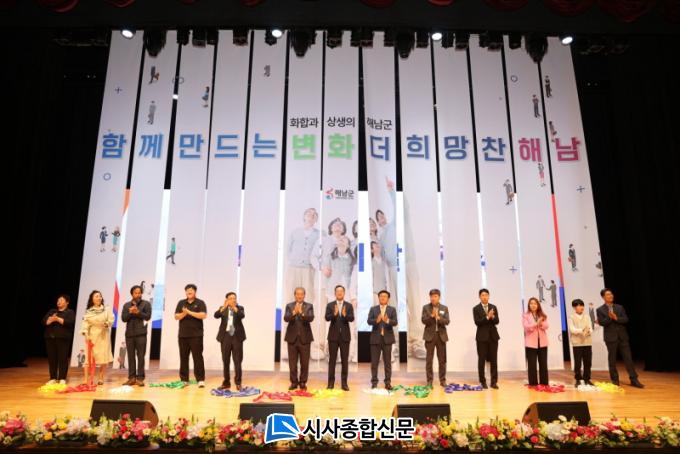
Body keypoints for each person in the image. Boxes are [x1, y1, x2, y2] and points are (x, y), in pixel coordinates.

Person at [596, 288, 643, 388]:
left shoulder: (619, 307)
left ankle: (634, 379)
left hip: (622, 336)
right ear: (603, 297)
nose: (611, 296)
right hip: (610, 338)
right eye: (608, 294)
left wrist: (616, 318)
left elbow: (625, 319)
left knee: (628, 359)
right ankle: (615, 380)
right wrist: (610, 317)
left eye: (611, 294)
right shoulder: (600, 310)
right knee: (612, 360)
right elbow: (602, 323)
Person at [174, 284, 207, 388]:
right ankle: (184, 379)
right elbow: (176, 316)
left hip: (196, 335)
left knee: (198, 357)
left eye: (191, 290)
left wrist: (188, 312)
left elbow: (203, 315)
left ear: (195, 292)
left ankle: (200, 379)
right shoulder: (181, 302)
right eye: (187, 290)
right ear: (185, 292)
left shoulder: (200, 302)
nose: (189, 292)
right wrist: (184, 313)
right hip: (183, 335)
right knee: (183, 357)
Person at [80, 290, 114, 385]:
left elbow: (111, 319)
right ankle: (86, 379)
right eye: (96, 296)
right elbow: (85, 323)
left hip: (103, 335)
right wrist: (85, 333)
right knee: (89, 358)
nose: (99, 298)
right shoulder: (89, 311)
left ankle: (101, 378)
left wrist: (107, 324)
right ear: (92, 299)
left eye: (100, 296)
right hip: (92, 336)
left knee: (103, 357)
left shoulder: (106, 309)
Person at [283, 287, 314, 390]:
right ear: (295, 295)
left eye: (301, 294)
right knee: (292, 363)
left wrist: (301, 313)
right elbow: (286, 318)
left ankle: (303, 382)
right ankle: (294, 382)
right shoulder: (289, 306)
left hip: (305, 339)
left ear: (304, 295)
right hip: (292, 339)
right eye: (297, 294)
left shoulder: (309, 306)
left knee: (304, 363)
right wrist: (294, 313)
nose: (299, 296)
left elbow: (310, 318)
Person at [121, 285, 152, 386]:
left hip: (141, 334)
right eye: (136, 293)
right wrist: (130, 312)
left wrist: (138, 312)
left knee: (141, 356)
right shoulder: (126, 305)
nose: (138, 295)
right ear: (132, 294)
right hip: (129, 334)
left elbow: (147, 317)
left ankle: (140, 378)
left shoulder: (146, 304)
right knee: (130, 356)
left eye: (139, 293)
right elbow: (123, 318)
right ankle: (131, 378)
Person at [325, 285, 354, 391]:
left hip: (345, 337)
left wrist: (345, 315)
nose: (339, 293)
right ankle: (330, 383)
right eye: (337, 291)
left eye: (341, 291)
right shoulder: (330, 305)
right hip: (333, 337)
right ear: (335, 293)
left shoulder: (349, 305)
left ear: (344, 293)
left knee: (344, 361)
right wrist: (334, 314)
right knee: (332, 360)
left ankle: (344, 383)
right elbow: (327, 318)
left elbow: (352, 318)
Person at [215, 292, 246, 391]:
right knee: (225, 361)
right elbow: (216, 315)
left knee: (237, 361)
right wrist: (224, 307)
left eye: (234, 298)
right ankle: (226, 382)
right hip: (225, 337)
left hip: (237, 337)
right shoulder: (222, 308)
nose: (233, 300)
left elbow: (242, 315)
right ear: (227, 300)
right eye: (231, 298)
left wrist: (234, 307)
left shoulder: (240, 308)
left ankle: (238, 382)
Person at [367, 290, 398, 389]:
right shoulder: (373, 309)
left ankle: (387, 383)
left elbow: (395, 322)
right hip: (375, 339)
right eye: (381, 296)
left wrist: (387, 320)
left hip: (387, 339)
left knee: (387, 363)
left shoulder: (392, 309)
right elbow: (369, 321)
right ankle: (374, 382)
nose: (383, 298)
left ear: (388, 298)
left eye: (385, 296)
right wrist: (376, 320)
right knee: (374, 363)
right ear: (378, 298)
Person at [43, 294, 75, 385]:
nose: (59, 302)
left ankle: (62, 378)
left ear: (67, 302)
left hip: (63, 339)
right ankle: (52, 378)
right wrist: (51, 319)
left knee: (62, 358)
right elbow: (45, 321)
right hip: (50, 338)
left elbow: (70, 322)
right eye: (58, 300)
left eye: (61, 300)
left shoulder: (70, 312)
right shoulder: (52, 311)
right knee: (52, 358)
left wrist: (57, 319)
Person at [421, 289, 449, 387]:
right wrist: (432, 316)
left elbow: (447, 321)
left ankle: (442, 380)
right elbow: (423, 320)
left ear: (439, 297)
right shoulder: (426, 308)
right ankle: (429, 381)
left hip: (441, 336)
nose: (433, 298)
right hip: (430, 336)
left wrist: (439, 318)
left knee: (442, 360)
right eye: (432, 296)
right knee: (429, 360)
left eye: (435, 296)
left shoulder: (444, 308)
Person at [473, 288, 499, 389]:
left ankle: (494, 382)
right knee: (481, 360)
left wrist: (492, 317)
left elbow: (497, 321)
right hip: (481, 338)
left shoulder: (493, 307)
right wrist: (487, 317)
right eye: (482, 295)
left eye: (486, 295)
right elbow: (477, 322)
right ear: (479, 297)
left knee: (494, 360)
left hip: (493, 337)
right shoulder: (476, 308)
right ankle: (482, 381)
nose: (484, 297)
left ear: (489, 296)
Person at [523, 297, 549, 386]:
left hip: (542, 343)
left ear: (538, 305)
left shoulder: (542, 315)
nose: (533, 305)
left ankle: (544, 383)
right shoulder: (525, 315)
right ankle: (533, 383)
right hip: (531, 343)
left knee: (543, 363)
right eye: (531, 303)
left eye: (535, 303)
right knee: (532, 364)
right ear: (529, 305)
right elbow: (526, 327)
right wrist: (536, 323)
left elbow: (546, 326)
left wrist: (540, 323)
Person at [568, 299, 594, 387]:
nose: (581, 307)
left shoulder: (587, 316)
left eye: (582, 305)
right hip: (577, 343)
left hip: (587, 342)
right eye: (579, 305)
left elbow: (590, 327)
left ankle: (587, 379)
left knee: (588, 362)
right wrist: (582, 330)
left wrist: (589, 331)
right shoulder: (571, 317)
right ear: (574, 307)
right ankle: (578, 379)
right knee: (578, 363)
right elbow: (572, 329)